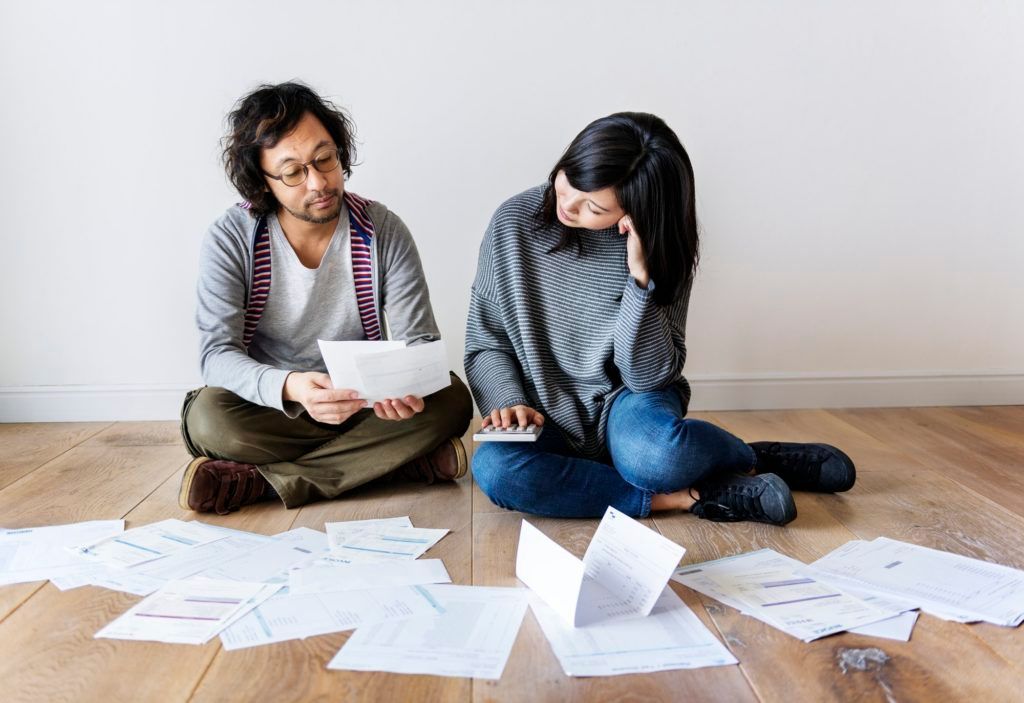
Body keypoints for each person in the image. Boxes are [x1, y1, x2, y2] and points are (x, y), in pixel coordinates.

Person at [465, 112, 855, 525]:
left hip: (627, 402)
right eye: (568, 179)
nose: (568, 203)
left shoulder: (659, 245)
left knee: (658, 457)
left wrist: (640, 278)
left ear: (635, 207)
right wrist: (509, 401)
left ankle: (751, 456)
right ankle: (687, 497)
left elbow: (647, 378)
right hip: (542, 411)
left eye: (594, 206)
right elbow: (486, 341)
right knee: (495, 470)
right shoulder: (513, 223)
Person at [179, 82, 472, 515]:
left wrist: (401, 387)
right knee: (207, 417)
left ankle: (262, 482)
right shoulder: (231, 237)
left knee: (450, 399)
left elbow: (419, 342)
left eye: (325, 159)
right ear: (263, 180)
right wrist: (292, 386)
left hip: (362, 403)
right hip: (275, 408)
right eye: (293, 172)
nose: (318, 182)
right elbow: (216, 356)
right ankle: (390, 465)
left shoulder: (382, 229)